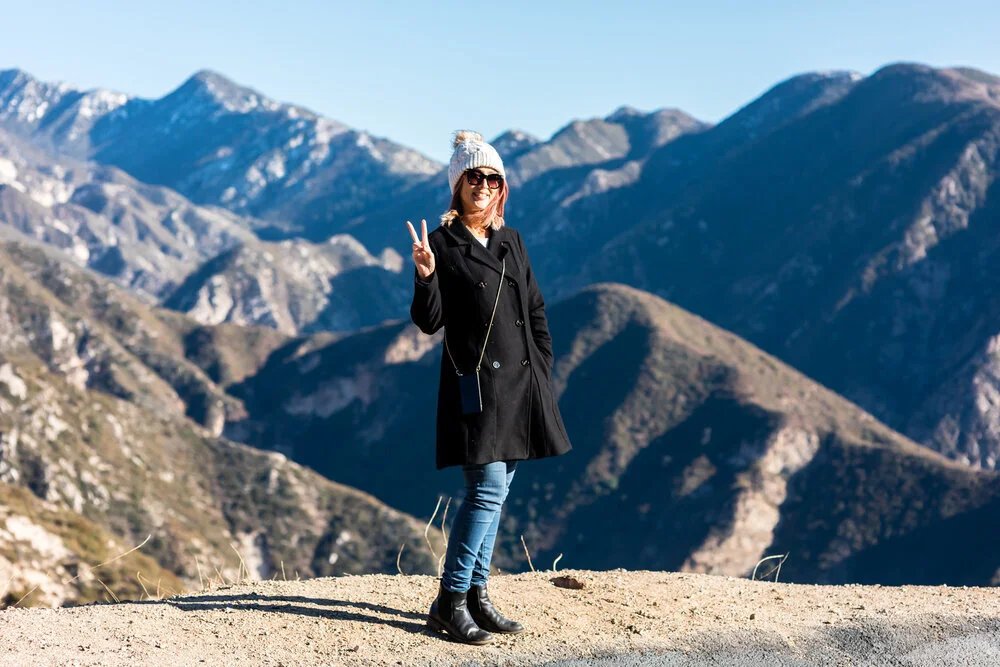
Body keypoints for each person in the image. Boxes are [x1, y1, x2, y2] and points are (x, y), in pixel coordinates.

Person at [407, 131, 573, 645]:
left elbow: (536, 309)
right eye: (473, 177)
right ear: (457, 185)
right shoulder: (441, 243)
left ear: (502, 187)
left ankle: (477, 596)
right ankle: (448, 601)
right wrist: (425, 277)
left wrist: (542, 367)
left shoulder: (512, 240)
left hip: (521, 386)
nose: (483, 186)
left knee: (497, 495)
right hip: (474, 387)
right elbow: (429, 323)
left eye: (492, 178)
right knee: (485, 491)